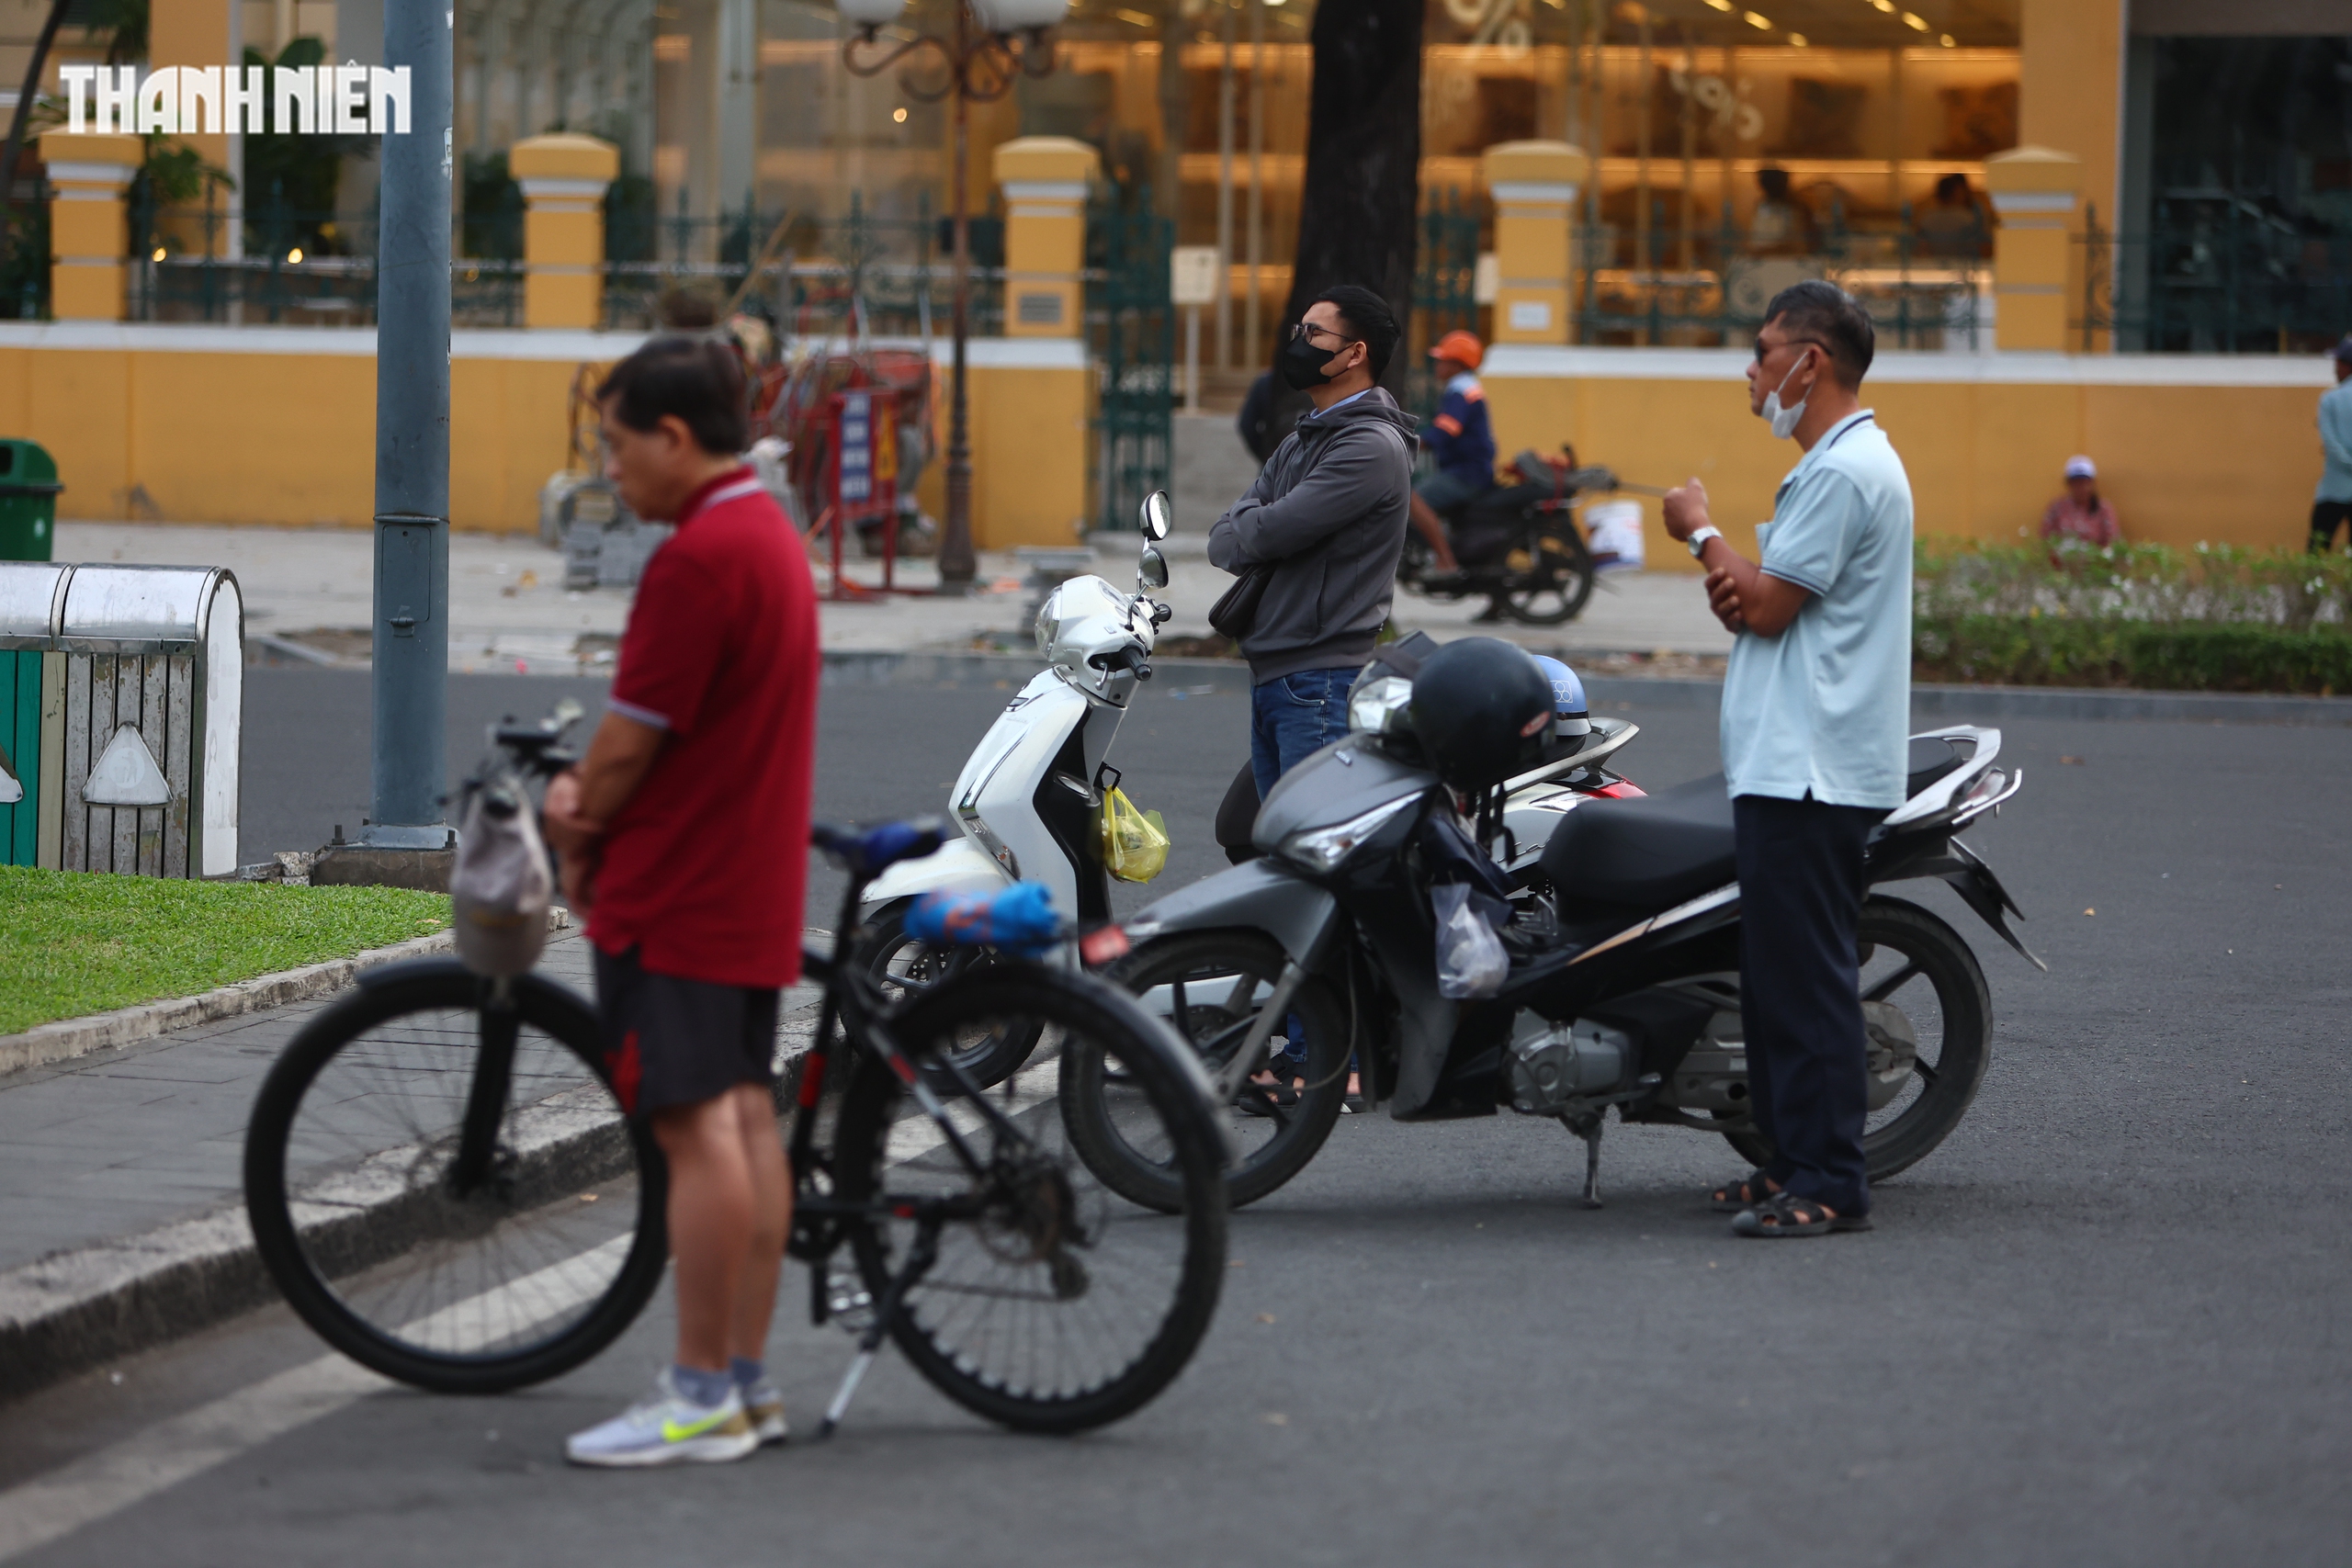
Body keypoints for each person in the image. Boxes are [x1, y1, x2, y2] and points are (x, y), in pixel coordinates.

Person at [542, 335, 821, 1465]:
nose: (609, 469)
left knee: (695, 1129)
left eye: (615, 445)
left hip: (682, 885)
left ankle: (700, 1390)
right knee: (746, 1121)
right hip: (748, 878)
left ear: (671, 436)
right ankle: (742, 1386)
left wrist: (574, 812)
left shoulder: (699, 556)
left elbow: (627, 740)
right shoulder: (769, 534)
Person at [1660, 279, 1912, 1239]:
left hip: (1813, 769)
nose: (1751, 372)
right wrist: (1734, 574)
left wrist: (1701, 532)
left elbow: (1760, 606)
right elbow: (1759, 600)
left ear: (1811, 362)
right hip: (1787, 763)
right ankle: (1787, 1165)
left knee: (1802, 986)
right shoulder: (1833, 467)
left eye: (1764, 352)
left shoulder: (1846, 471)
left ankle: (1831, 1182)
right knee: (1770, 982)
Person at [1210, 284, 1414, 1100]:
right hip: (1281, 675)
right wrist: (1250, 527)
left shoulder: (1368, 447)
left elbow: (1264, 529)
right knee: (1251, 837)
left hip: (1321, 681)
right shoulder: (1311, 433)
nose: (1296, 341)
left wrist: (1251, 528)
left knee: (1317, 870)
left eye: (1312, 332)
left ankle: (1324, 1054)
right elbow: (1237, 527)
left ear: (1353, 351)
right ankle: (1301, 1023)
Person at [1406, 329, 1497, 575]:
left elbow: (1446, 429)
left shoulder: (1461, 391)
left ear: (1456, 364)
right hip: (1468, 469)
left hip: (1466, 473)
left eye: (1442, 360)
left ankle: (1445, 560)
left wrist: (1412, 444)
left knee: (1412, 500)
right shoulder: (1465, 388)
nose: (1437, 365)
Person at [2312, 336, 2352, 554]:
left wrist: (2347, 462)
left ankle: (2313, 589)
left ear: (2346, 366)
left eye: (2338, 363)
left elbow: (2330, 442)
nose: (2335, 369)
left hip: (2334, 489)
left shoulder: (2330, 399)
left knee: (2318, 550)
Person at [2041, 455, 2120, 547]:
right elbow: (2045, 539)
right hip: (2064, 560)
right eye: (2076, 482)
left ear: (2093, 483)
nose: (2081, 487)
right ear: (2068, 484)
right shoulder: (2057, 508)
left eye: (2085, 482)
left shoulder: (2103, 509)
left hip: (2095, 560)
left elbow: (2113, 542)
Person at [1915, 173, 1988, 259]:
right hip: (1962, 267)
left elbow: (1920, 249)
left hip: (1933, 266)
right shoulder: (1967, 218)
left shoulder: (1926, 219)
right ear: (1955, 194)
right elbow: (1980, 248)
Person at [1748, 167, 1814, 255]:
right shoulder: (1762, 207)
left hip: (1789, 262)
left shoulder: (1795, 208)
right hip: (1764, 260)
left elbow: (1797, 243)